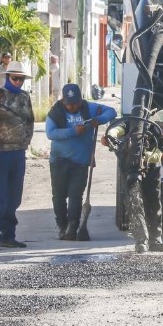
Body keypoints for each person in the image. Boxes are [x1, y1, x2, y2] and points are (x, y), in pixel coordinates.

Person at [46, 83, 117, 241]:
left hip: (81, 162)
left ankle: (73, 226)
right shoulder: (55, 112)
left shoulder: (88, 108)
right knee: (58, 196)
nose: (73, 107)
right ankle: (62, 226)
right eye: (70, 104)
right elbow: (50, 133)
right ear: (63, 100)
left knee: (75, 195)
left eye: (76, 103)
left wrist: (98, 120)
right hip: (59, 160)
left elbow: (112, 112)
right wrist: (73, 131)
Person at [0, 60, 36, 251]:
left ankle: (8, 235)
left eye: (21, 79)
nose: (18, 82)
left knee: (14, 196)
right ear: (8, 77)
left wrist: (26, 141)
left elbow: (30, 120)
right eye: (15, 78)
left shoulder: (24, 97)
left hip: (18, 153)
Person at [103, 108, 163, 253]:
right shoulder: (135, 123)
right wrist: (110, 135)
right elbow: (118, 129)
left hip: (152, 169)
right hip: (129, 166)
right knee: (134, 201)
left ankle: (155, 240)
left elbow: (158, 155)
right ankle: (141, 241)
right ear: (156, 122)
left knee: (153, 201)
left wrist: (144, 156)